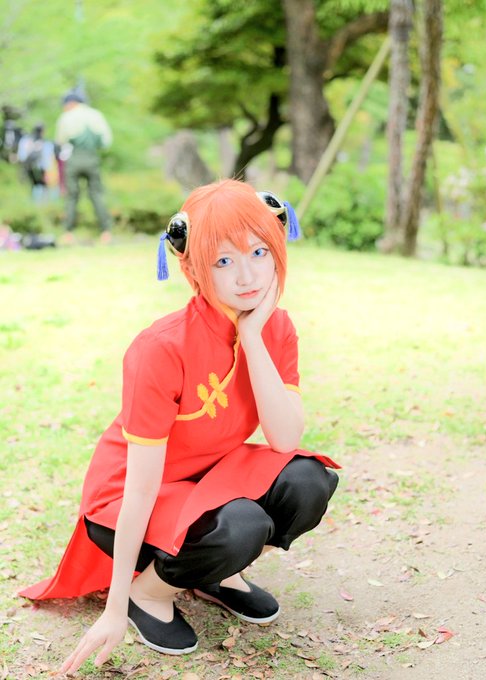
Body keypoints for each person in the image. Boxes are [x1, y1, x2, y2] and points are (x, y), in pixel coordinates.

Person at [20, 179, 340, 674]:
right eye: (223, 261)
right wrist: (115, 605)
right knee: (242, 524)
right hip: (128, 496)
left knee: (307, 481)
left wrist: (252, 336)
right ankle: (148, 593)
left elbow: (284, 439)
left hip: (209, 476)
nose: (247, 275)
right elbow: (140, 487)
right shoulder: (161, 348)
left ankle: (215, 573)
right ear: (191, 267)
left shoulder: (275, 328)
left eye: (259, 252)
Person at [55, 92, 112, 242]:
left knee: (71, 196)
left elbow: (60, 141)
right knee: (96, 194)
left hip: (74, 158)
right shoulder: (96, 115)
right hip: (92, 158)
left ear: (70, 103)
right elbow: (106, 142)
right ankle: (106, 232)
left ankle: (68, 233)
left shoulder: (66, 117)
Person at [17, 124, 56, 202]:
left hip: (28, 167)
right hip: (39, 168)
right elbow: (47, 160)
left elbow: (21, 156)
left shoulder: (25, 140)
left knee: (34, 184)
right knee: (41, 185)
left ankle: (37, 200)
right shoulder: (45, 143)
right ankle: (42, 201)